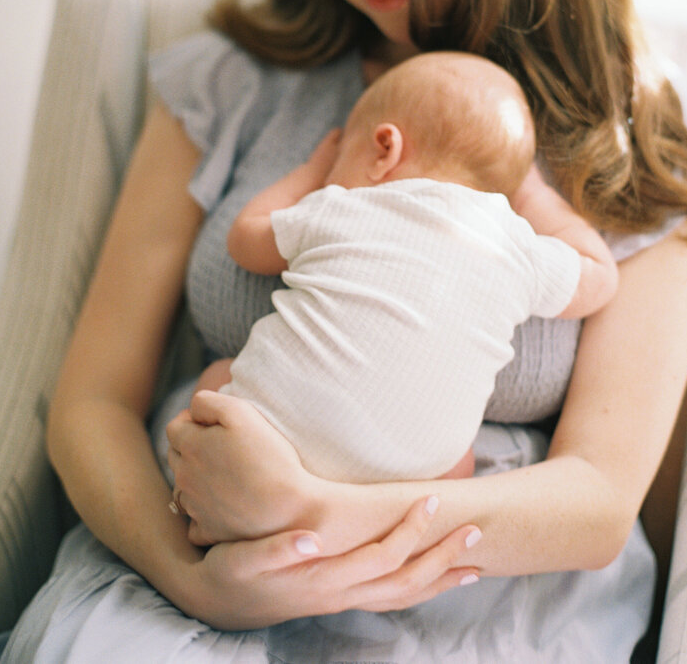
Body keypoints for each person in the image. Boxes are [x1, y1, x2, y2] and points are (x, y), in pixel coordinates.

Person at [0, 0, 687, 663]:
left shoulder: (633, 141)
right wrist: (192, 574)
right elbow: (90, 400)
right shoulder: (233, 80)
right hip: (184, 551)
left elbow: (598, 500)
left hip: (465, 590)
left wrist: (317, 515)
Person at [191, 50, 618, 489]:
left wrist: (313, 171)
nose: (329, 179)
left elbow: (246, 239)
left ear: (384, 148)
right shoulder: (517, 250)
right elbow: (600, 276)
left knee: (217, 378)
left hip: (270, 441)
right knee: (461, 461)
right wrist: (535, 197)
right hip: (402, 484)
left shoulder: (342, 206)